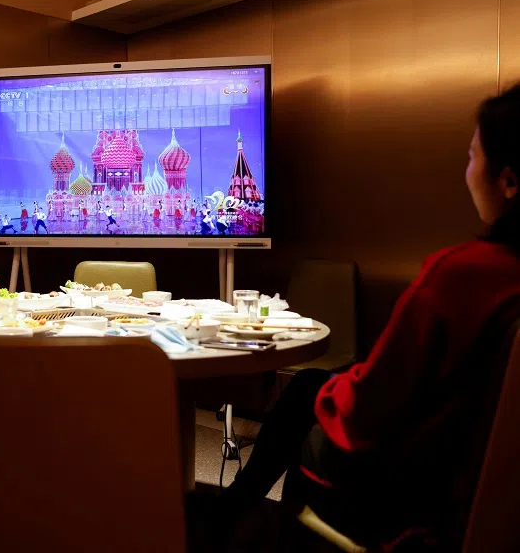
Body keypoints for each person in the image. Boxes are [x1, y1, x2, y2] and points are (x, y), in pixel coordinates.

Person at [195, 86, 520, 549]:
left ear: (508, 181)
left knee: (309, 399)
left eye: (472, 155)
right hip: (475, 467)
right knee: (310, 384)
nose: (467, 171)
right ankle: (240, 509)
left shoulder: (463, 274)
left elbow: (370, 406)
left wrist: (335, 395)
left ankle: (257, 523)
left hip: (414, 476)